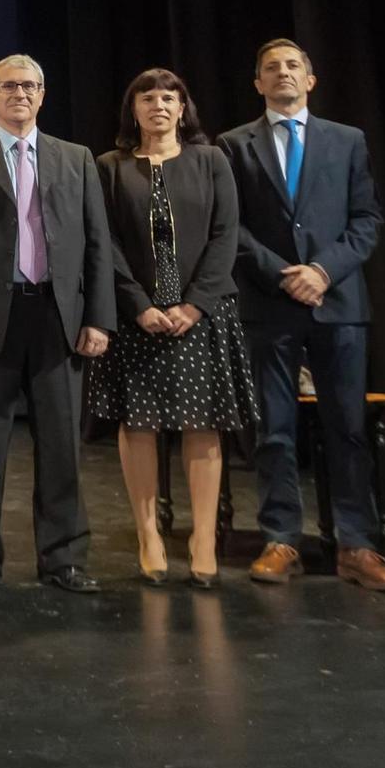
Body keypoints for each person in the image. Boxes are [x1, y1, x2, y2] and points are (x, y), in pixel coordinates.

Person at [219, 39, 385, 592]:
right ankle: (281, 540)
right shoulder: (234, 145)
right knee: (274, 431)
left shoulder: (347, 141)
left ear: (311, 78)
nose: (282, 73)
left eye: (292, 65)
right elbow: (233, 228)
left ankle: (356, 545)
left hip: (338, 302)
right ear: (257, 84)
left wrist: (321, 271)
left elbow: (367, 219)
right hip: (269, 305)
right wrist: (285, 273)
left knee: (346, 429)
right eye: (270, 68)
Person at [0, 55, 113, 594]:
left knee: (62, 445)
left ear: (43, 94)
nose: (20, 93)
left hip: (59, 319)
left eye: (30, 85)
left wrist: (99, 318)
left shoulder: (76, 158)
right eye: (9, 85)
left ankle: (64, 558)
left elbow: (98, 246)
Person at [87, 69, 257, 588]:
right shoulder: (109, 167)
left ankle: (203, 539)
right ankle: (149, 537)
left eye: (169, 98)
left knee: (203, 427)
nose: (158, 106)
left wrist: (197, 304)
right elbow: (105, 243)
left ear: (183, 109)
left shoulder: (212, 161)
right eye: (147, 98)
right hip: (136, 316)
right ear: (131, 110)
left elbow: (227, 235)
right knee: (138, 425)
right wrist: (137, 303)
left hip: (200, 316)